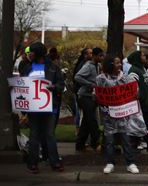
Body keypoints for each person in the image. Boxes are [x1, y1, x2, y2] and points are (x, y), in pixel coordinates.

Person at [20, 41, 65, 174]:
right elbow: (23, 88)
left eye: (31, 52)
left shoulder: (53, 67)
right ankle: (32, 164)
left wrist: (53, 87)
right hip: (34, 109)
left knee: (49, 135)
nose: (29, 54)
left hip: (50, 108)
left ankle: (55, 163)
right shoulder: (27, 68)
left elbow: (61, 85)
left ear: (38, 53)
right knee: (34, 136)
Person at [98, 55, 146, 174]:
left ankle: (130, 163)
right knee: (109, 141)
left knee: (126, 139)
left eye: (120, 63)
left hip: (123, 114)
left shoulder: (127, 78)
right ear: (110, 65)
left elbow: (136, 92)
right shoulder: (101, 79)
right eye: (117, 63)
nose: (120, 65)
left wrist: (136, 95)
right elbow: (98, 94)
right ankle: (110, 162)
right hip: (109, 114)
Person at [127, 51, 148, 152]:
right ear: (137, 58)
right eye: (142, 55)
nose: (144, 57)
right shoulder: (134, 71)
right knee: (143, 126)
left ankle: (134, 145)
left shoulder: (142, 69)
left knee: (143, 125)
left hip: (146, 103)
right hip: (141, 104)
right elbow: (132, 86)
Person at [74, 47, 104, 152]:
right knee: (91, 119)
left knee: (86, 122)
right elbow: (77, 77)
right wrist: (90, 84)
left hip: (92, 97)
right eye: (100, 55)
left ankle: (80, 145)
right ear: (94, 56)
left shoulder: (98, 66)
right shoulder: (88, 66)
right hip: (84, 96)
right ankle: (96, 143)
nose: (102, 57)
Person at [72, 48, 92, 137]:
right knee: (81, 113)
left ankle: (80, 131)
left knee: (81, 113)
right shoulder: (85, 65)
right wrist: (89, 84)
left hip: (81, 92)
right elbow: (78, 77)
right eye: (90, 53)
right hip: (81, 93)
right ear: (85, 55)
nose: (92, 55)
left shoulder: (84, 64)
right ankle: (79, 131)